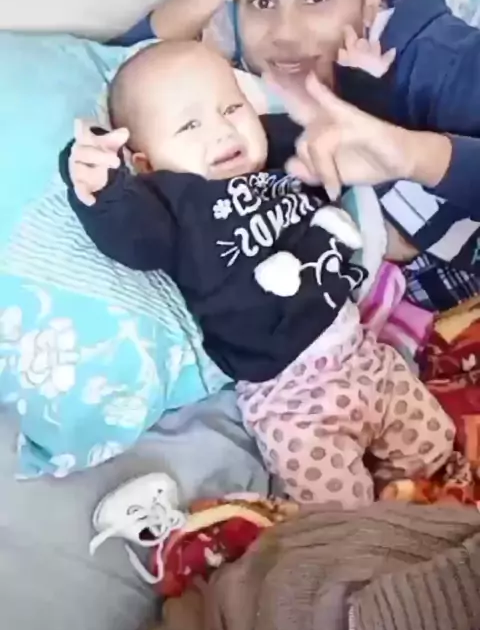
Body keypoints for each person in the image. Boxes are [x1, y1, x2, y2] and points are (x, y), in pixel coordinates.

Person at [59, 40, 454, 508]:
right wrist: (101, 187)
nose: (223, 130)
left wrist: (362, 84)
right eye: (189, 125)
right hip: (291, 399)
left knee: (436, 448)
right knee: (340, 514)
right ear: (144, 163)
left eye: (232, 107)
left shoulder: (278, 156)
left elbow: (334, 134)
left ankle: (410, 510)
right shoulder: (172, 205)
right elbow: (129, 237)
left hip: (363, 355)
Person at [117, 0, 480, 311]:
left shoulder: (440, 63)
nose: (285, 34)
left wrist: (411, 155)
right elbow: (133, 86)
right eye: (261, 1)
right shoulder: (233, 47)